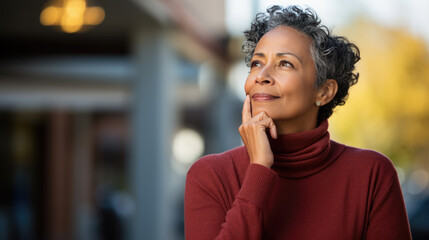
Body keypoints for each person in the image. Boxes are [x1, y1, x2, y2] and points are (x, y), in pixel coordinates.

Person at [184, 5, 412, 240]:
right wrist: (259, 170)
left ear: (324, 92)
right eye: (256, 63)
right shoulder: (210, 175)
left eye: (285, 64)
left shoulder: (372, 175)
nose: (261, 76)